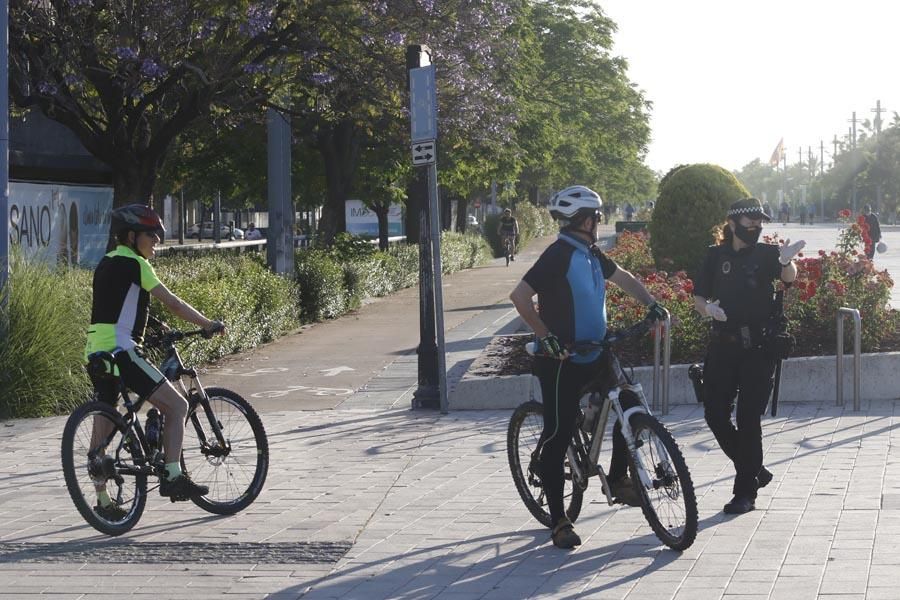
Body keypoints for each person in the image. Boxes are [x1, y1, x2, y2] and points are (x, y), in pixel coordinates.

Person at [509, 185, 669, 549]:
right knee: (558, 434)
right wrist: (545, 335)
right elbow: (519, 296)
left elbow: (624, 277)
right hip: (561, 360)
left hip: (596, 351)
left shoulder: (592, 253)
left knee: (629, 405)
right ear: (584, 219)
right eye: (597, 215)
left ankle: (616, 479)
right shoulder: (558, 255)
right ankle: (560, 520)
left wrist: (651, 303)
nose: (600, 220)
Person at [86, 204, 226, 519]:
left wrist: (153, 327)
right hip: (122, 351)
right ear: (132, 236)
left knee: (103, 426)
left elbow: (116, 306)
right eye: (151, 235)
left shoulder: (105, 263)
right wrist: (207, 323)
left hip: (96, 351)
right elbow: (174, 303)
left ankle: (104, 502)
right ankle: (174, 477)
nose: (157, 241)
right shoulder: (137, 264)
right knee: (177, 407)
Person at [691, 197, 805, 515]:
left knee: (747, 418)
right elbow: (698, 295)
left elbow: (789, 278)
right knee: (714, 415)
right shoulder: (716, 256)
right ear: (732, 223)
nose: (755, 226)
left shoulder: (767, 254)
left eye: (759, 222)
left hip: (758, 348)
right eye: (750, 222)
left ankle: (745, 492)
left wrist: (785, 262)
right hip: (722, 345)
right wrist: (707, 309)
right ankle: (753, 468)